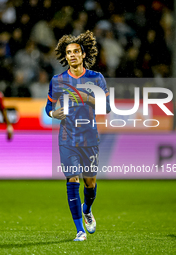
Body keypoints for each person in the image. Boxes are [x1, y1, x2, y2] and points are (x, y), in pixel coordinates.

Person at [45, 30, 110, 241]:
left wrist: (88, 99)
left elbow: (107, 107)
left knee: (89, 183)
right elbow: (48, 107)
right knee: (72, 178)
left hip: (89, 138)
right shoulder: (57, 80)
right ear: (66, 57)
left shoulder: (96, 78)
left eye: (76, 51)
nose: (72, 55)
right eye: (68, 52)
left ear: (83, 54)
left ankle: (88, 208)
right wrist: (53, 113)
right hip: (67, 138)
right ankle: (79, 230)